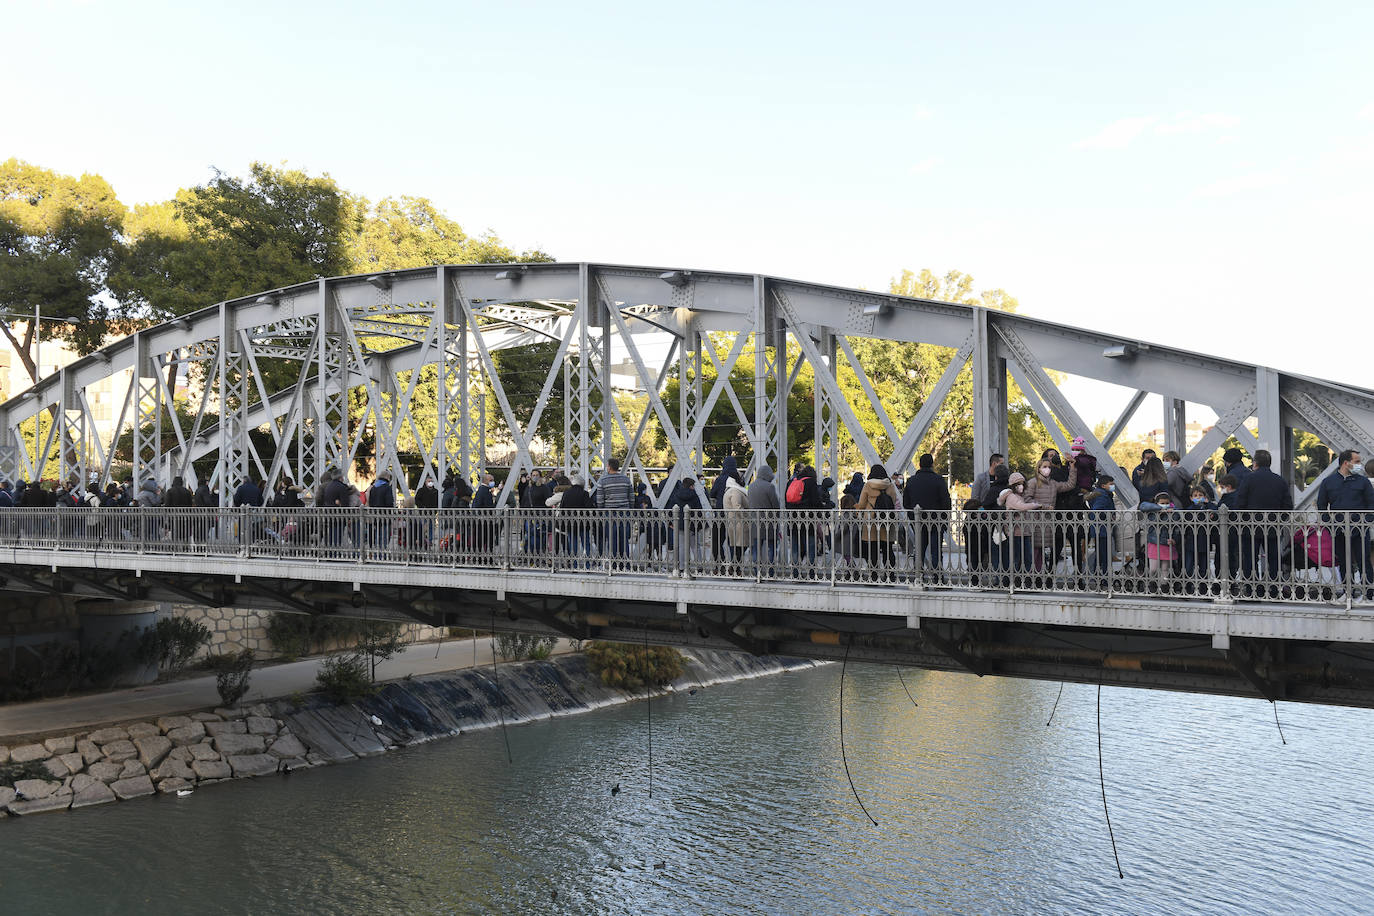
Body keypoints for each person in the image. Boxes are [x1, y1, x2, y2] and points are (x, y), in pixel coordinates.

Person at [1315, 449, 1374, 598]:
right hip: (1338, 530)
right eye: (1357, 462)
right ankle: (1349, 591)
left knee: (1363, 560)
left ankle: (1369, 592)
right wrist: (1330, 525)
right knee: (1343, 561)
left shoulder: (1363, 482)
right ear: (1346, 463)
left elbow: (1371, 504)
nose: (1360, 465)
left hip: (1359, 529)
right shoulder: (1328, 482)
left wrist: (1365, 522)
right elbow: (1322, 506)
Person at [1234, 449, 1292, 592]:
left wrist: (1243, 520)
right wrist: (1279, 520)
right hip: (1273, 526)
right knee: (1274, 558)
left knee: (1250, 559)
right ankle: (1274, 589)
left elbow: (1240, 502)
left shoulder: (1248, 479)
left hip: (1251, 527)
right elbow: (1288, 506)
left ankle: (1252, 589)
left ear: (1255, 463)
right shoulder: (1280, 480)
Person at [903, 452, 951, 578]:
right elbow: (946, 501)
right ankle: (937, 576)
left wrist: (913, 517)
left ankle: (918, 576)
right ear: (932, 464)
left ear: (919, 464)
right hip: (936, 520)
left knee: (919, 549)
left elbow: (906, 503)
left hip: (918, 522)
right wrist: (945, 519)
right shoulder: (938, 480)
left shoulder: (911, 481)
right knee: (936, 550)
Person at [855, 464, 900, 578]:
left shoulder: (868, 485)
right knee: (887, 549)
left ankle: (874, 575)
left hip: (871, 521)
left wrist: (857, 509)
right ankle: (890, 574)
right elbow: (894, 500)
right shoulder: (890, 485)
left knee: (872, 549)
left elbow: (861, 504)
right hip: (887, 520)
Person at [597, 458, 634, 560]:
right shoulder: (626, 479)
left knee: (612, 538)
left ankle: (614, 562)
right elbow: (631, 497)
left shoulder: (603, 481)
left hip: (609, 513)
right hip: (624, 512)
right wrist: (630, 508)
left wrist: (601, 512)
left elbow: (599, 500)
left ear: (609, 467)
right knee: (624, 538)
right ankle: (624, 561)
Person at [1139, 490, 1180, 582]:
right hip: (1155, 544)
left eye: (1167, 503)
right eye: (1162, 503)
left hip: (1167, 544)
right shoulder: (1152, 512)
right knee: (1153, 569)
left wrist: (1175, 540)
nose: (1165, 505)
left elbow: (1177, 528)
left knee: (1165, 569)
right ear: (1156, 503)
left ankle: (1164, 585)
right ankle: (1152, 583)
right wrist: (1159, 510)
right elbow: (1143, 506)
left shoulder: (1173, 512)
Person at [747, 464, 780, 571]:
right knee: (771, 548)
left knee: (756, 549)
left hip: (755, 522)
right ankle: (770, 571)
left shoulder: (751, 486)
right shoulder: (770, 487)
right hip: (769, 522)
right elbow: (775, 505)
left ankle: (757, 572)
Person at [1086, 474, 1117, 578]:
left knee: (1100, 553)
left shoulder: (1100, 494)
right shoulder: (1102, 495)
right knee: (1103, 554)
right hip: (1102, 528)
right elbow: (1097, 511)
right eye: (1111, 484)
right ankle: (1102, 576)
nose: (1113, 486)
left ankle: (1099, 575)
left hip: (1099, 528)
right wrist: (1109, 515)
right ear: (1103, 485)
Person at [722, 473, 750, 572]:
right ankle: (735, 568)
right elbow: (737, 507)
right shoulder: (735, 491)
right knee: (740, 547)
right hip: (739, 524)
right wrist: (747, 518)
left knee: (738, 547)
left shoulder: (731, 490)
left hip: (734, 523)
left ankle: (734, 568)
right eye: (741, 478)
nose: (743, 480)